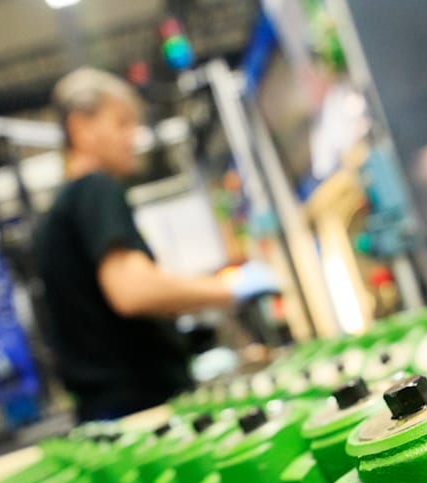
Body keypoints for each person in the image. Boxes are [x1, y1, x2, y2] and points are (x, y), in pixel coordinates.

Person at [34, 67, 279, 422]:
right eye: (121, 124)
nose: (134, 137)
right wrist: (229, 288)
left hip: (108, 412)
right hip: (138, 409)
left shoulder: (59, 212)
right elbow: (132, 291)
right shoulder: (95, 190)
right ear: (81, 127)